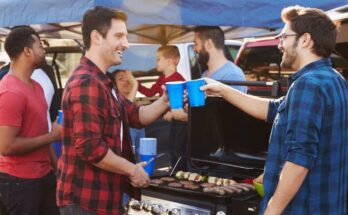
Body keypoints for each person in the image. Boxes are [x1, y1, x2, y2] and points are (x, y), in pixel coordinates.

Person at [201, 6, 347, 215]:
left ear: (305, 40)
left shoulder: (308, 84)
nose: (280, 45)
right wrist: (222, 89)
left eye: (283, 37)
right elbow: (275, 109)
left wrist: (272, 210)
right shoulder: (334, 78)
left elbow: (299, 160)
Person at [57, 7, 169, 215]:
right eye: (119, 36)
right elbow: (90, 147)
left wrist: (165, 101)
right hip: (86, 202)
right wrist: (132, 169)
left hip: (103, 199)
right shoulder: (87, 82)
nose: (126, 44)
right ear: (96, 37)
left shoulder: (103, 80)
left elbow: (135, 115)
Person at [0, 26, 61, 215]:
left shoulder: (36, 87)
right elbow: (6, 146)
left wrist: (57, 168)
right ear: (27, 51)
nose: (44, 50)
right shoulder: (11, 91)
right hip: (20, 182)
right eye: (40, 45)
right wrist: (51, 137)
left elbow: (42, 133)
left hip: (44, 175)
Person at [138, 45, 187, 168]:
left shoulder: (178, 79)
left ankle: (179, 169)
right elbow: (150, 93)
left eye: (158, 59)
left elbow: (185, 100)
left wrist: (172, 111)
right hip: (167, 121)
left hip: (179, 121)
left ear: (169, 61)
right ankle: (174, 167)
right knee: (171, 146)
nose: (156, 62)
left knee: (178, 147)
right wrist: (136, 84)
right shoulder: (161, 79)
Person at [193, 26, 247, 93]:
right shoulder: (205, 74)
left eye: (196, 44)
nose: (194, 49)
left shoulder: (232, 75)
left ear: (208, 44)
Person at [112, 69, 145, 155]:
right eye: (121, 79)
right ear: (114, 85)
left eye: (128, 78)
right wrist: (135, 85)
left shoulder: (137, 109)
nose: (126, 80)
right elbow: (125, 109)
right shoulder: (114, 103)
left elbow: (141, 152)